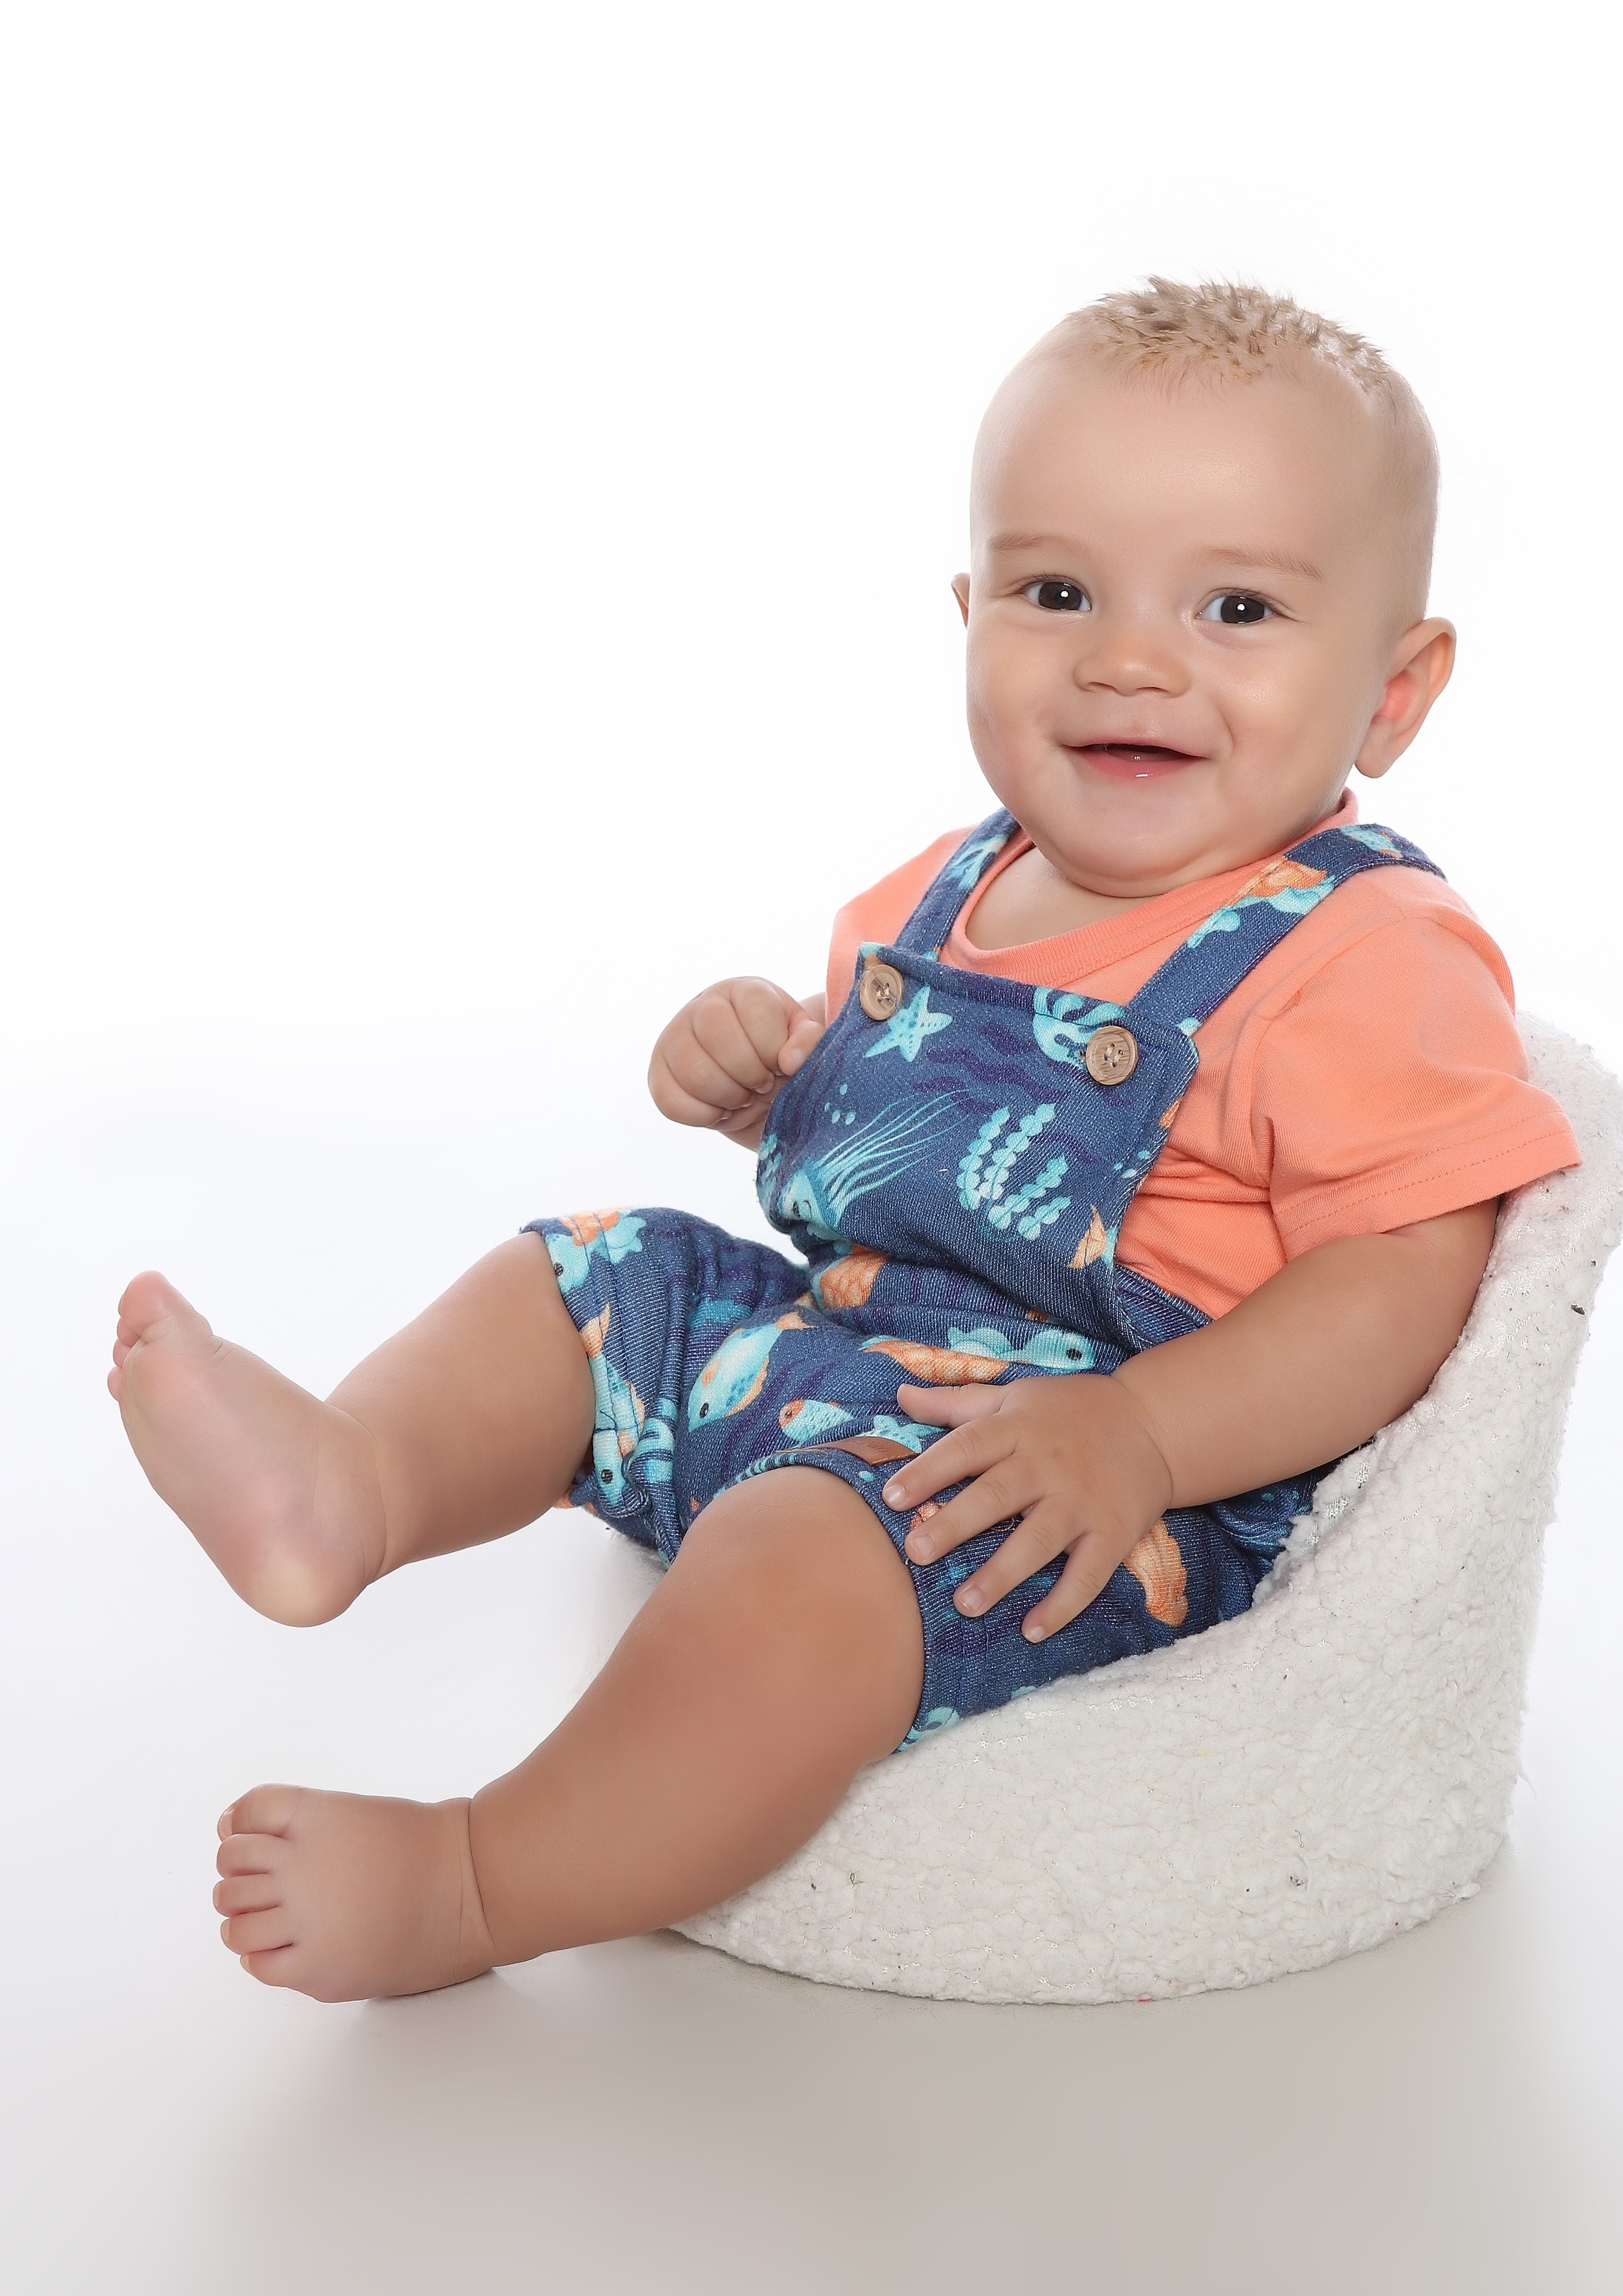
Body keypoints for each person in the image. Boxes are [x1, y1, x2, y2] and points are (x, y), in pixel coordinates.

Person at [109, 279, 1578, 2002]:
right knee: (590, 1275)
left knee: (817, 1551)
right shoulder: (947, 887)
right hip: (845, 1354)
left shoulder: (1361, 957)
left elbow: (1404, 1279)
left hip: (1084, 1487)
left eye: (1237, 607)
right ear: (968, 615)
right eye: (1056, 592)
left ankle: (478, 1879)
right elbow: (875, 1165)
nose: (1126, 657)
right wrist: (766, 1081)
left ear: (1394, 692)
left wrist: (1141, 1434)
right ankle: (352, 1485)